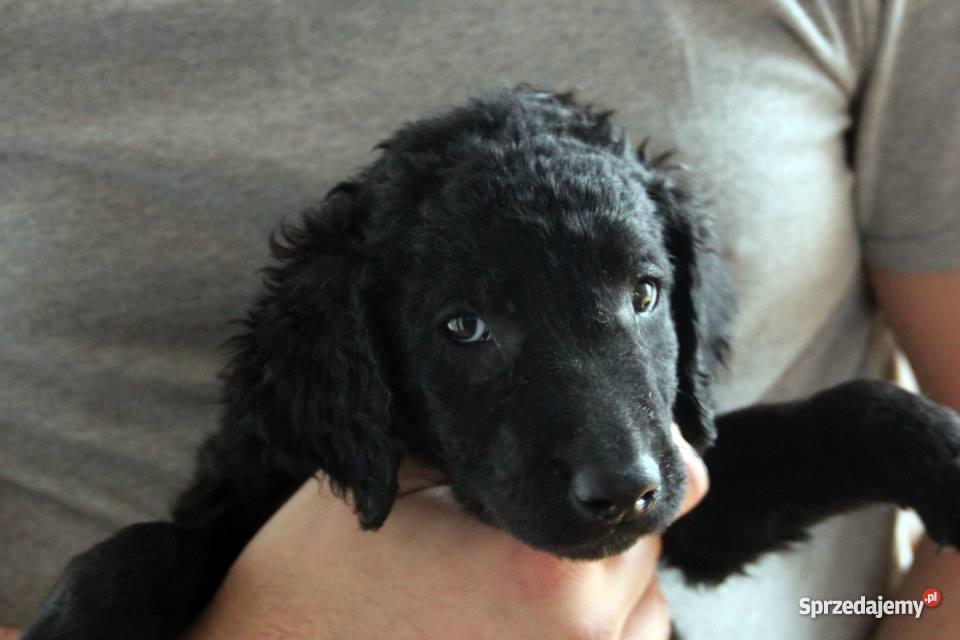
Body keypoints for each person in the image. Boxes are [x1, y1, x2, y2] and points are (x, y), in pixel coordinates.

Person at [1, 1, 957, 638]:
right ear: (364, 362)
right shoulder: (309, 408)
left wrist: (881, 441)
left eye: (640, 298)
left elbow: (700, 515)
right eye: (466, 329)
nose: (621, 465)